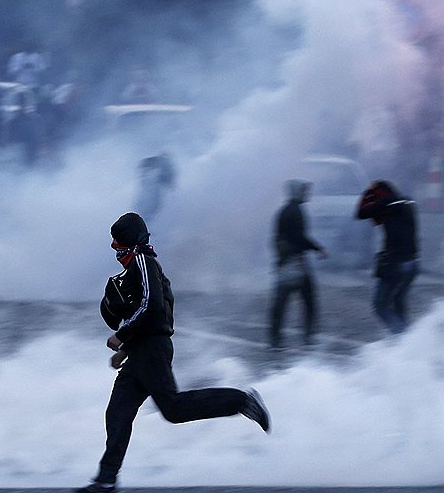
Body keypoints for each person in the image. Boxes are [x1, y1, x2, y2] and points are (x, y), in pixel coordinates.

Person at [77, 212, 270, 493]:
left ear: (129, 241)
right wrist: (126, 349)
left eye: (117, 242)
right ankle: (106, 479)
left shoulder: (144, 261)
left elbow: (152, 307)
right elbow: (147, 314)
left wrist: (121, 335)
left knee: (174, 409)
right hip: (141, 351)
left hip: (153, 350)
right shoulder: (137, 267)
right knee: (117, 413)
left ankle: (242, 401)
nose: (114, 248)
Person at [269, 179, 327, 348]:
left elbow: (278, 238)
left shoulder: (284, 211)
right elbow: (300, 238)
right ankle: (308, 336)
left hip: (285, 262)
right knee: (308, 300)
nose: (306, 194)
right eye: (304, 191)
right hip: (297, 262)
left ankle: (275, 337)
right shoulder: (296, 212)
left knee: (281, 301)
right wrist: (318, 248)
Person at [356, 180, 419, 334]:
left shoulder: (386, 203)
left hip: (395, 263)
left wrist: (367, 193)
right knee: (398, 301)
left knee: (380, 306)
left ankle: (404, 339)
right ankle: (409, 340)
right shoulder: (408, 203)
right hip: (412, 263)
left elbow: (361, 213)